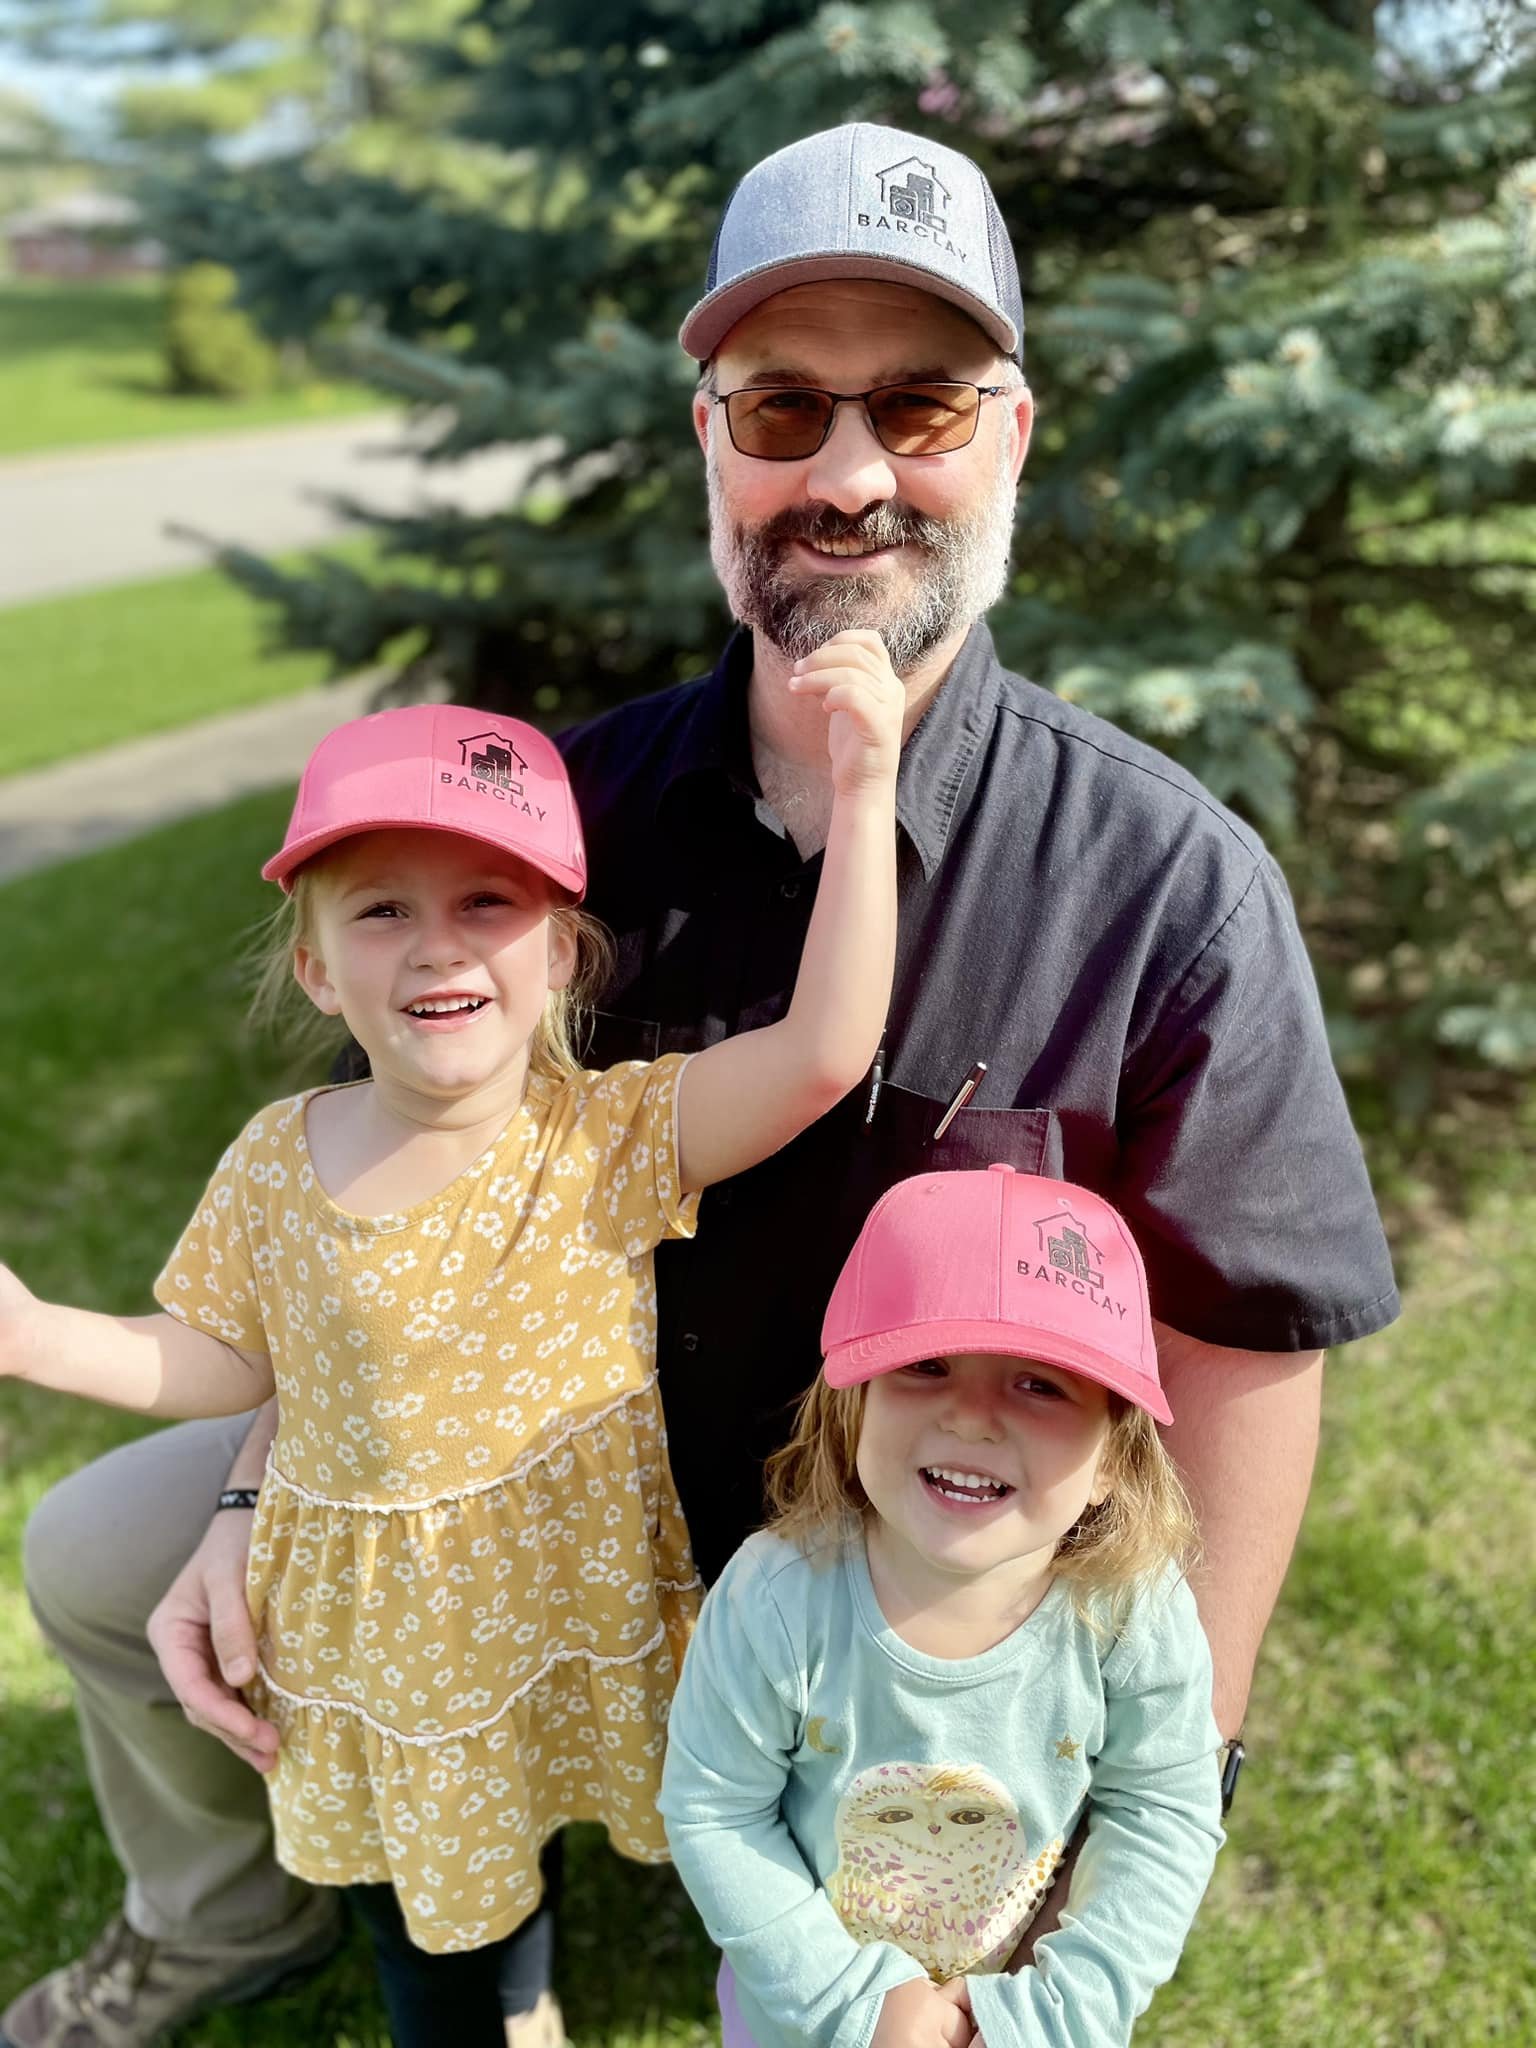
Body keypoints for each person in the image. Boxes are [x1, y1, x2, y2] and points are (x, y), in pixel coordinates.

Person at [4, 121, 1398, 2048]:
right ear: (709, 445)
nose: (845, 473)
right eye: (780, 407)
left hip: (918, 1532)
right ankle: (245, 1907)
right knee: (89, 1552)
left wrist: (1181, 1753)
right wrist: (255, 1494)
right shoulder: (543, 830)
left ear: (1011, 436)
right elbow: (361, 1230)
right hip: (505, 1482)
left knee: (915, 1964)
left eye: (917, 404)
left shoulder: (1167, 887)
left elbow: (1251, 1345)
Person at [0, 650, 903, 2048]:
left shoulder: (606, 1139)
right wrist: (36, 1334)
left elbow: (826, 1050)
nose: (437, 945)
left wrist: (865, 788)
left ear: (558, 952)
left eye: (488, 903)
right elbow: (224, 1363)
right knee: (432, 1880)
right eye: (381, 911)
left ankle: (590, 1974)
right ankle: (491, 1999)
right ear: (313, 963)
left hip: (566, 1599)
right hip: (381, 1637)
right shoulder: (276, 1163)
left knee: (558, 1793)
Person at [660, 1164, 1226, 2048]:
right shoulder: (776, 1599)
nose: (970, 1418)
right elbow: (714, 1808)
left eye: (1039, 1384)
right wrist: (856, 2000)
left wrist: (1058, 2013)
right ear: (852, 1405)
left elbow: (1162, 1811)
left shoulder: (1128, 1613)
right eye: (925, 1365)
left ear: (1117, 1453)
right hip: (806, 2013)